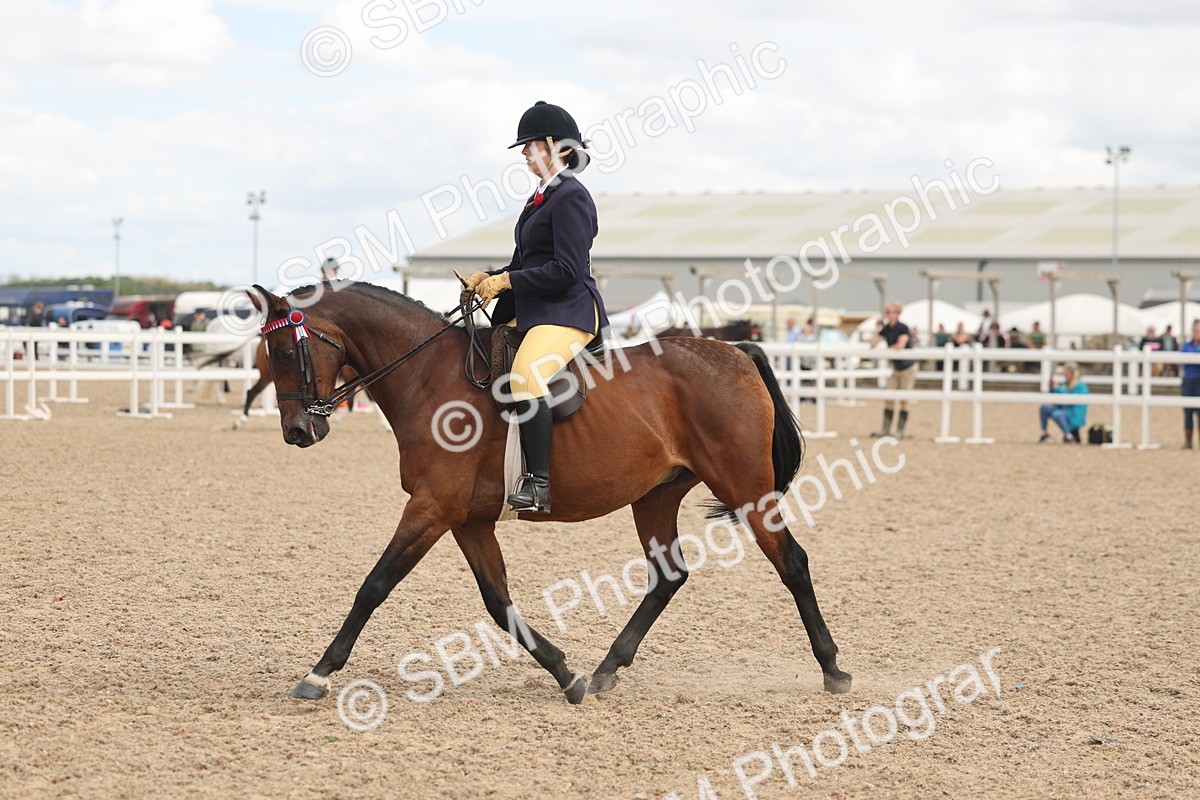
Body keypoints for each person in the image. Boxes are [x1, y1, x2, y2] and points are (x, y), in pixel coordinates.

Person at [464, 101, 609, 514]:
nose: (525, 153)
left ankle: (539, 483)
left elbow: (565, 269)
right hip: (535, 308)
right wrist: (488, 276)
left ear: (553, 145)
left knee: (526, 376)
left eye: (529, 145)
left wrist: (506, 281)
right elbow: (526, 264)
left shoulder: (572, 198)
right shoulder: (541, 198)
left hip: (568, 310)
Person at [869, 301, 916, 439]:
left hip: (908, 367)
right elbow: (873, 344)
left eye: (892, 312)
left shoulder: (903, 328)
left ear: (898, 313)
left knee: (904, 398)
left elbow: (900, 345)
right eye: (887, 312)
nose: (889, 315)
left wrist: (888, 349)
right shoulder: (886, 328)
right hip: (896, 367)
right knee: (889, 397)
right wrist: (877, 329)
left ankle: (900, 430)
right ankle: (885, 428)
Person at [1038, 362, 1089, 443]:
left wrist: (1057, 388)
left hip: (1073, 412)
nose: (1065, 376)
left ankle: (1068, 435)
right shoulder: (1065, 384)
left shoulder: (1080, 386)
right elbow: (1057, 398)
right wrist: (1052, 388)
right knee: (1044, 408)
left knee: (1057, 414)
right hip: (1063, 409)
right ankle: (1044, 433)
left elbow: (1070, 399)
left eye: (1066, 374)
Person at [1181, 321, 1200, 449]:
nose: (1196, 333)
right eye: (1195, 330)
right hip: (1188, 380)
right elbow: (1181, 362)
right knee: (1187, 412)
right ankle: (1188, 441)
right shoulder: (1186, 345)